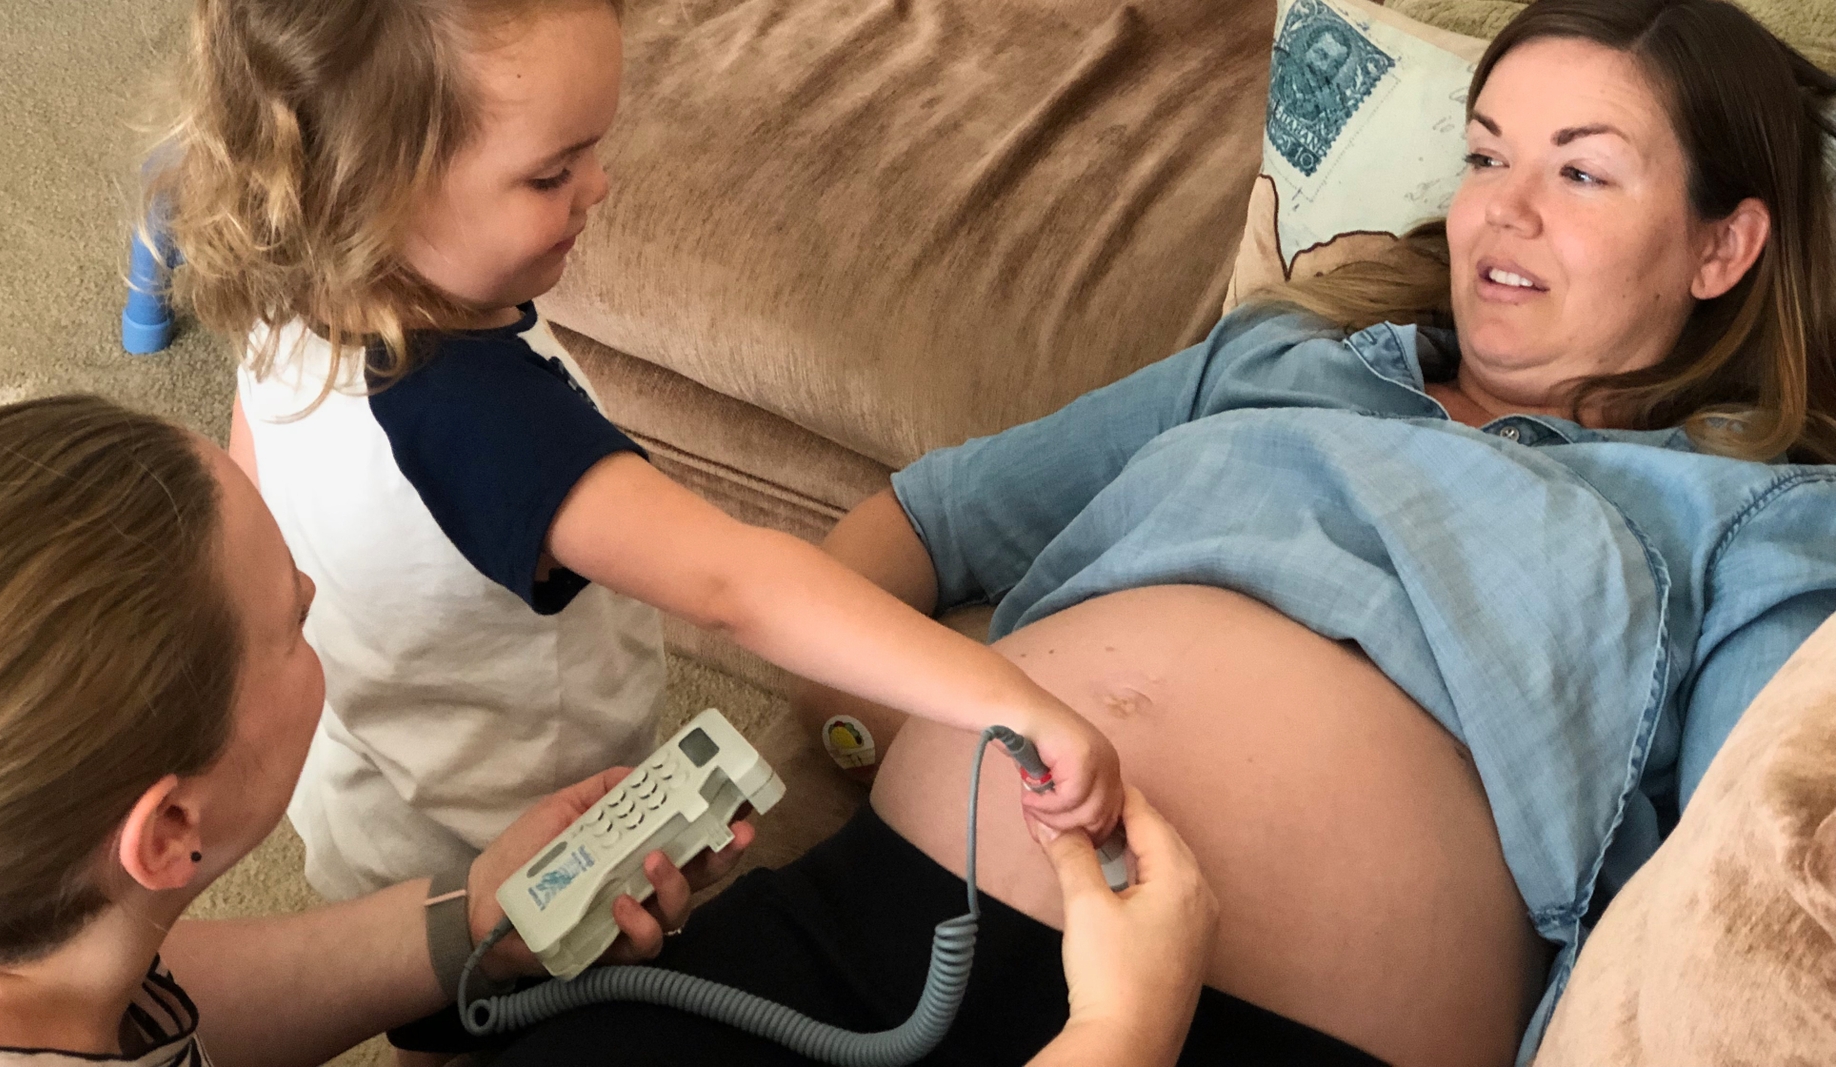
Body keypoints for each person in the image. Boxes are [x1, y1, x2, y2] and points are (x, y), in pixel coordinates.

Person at [758, 1, 1831, 1066]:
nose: (1503, 212)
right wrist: (876, 737)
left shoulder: (1752, 518)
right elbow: (921, 522)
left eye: (1581, 173)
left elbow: (1740, 890)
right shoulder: (1278, 360)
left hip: (1264, 1030)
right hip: (878, 927)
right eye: (1485, 156)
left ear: (1721, 246)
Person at [143, 0, 1121, 924]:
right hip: (514, 821)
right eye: (551, 174)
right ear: (364, 189)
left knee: (423, 989)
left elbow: (253, 486)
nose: (598, 187)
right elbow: (736, 586)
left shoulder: (293, 270)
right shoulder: (494, 423)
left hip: (365, 772)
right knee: (486, 1004)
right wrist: (1008, 697)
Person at [0, 396, 1216, 1067]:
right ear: (171, 829)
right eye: (294, 614)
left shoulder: (6, 941)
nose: (318, 590)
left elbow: (184, 999)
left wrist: (475, 911)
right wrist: (1121, 1030)